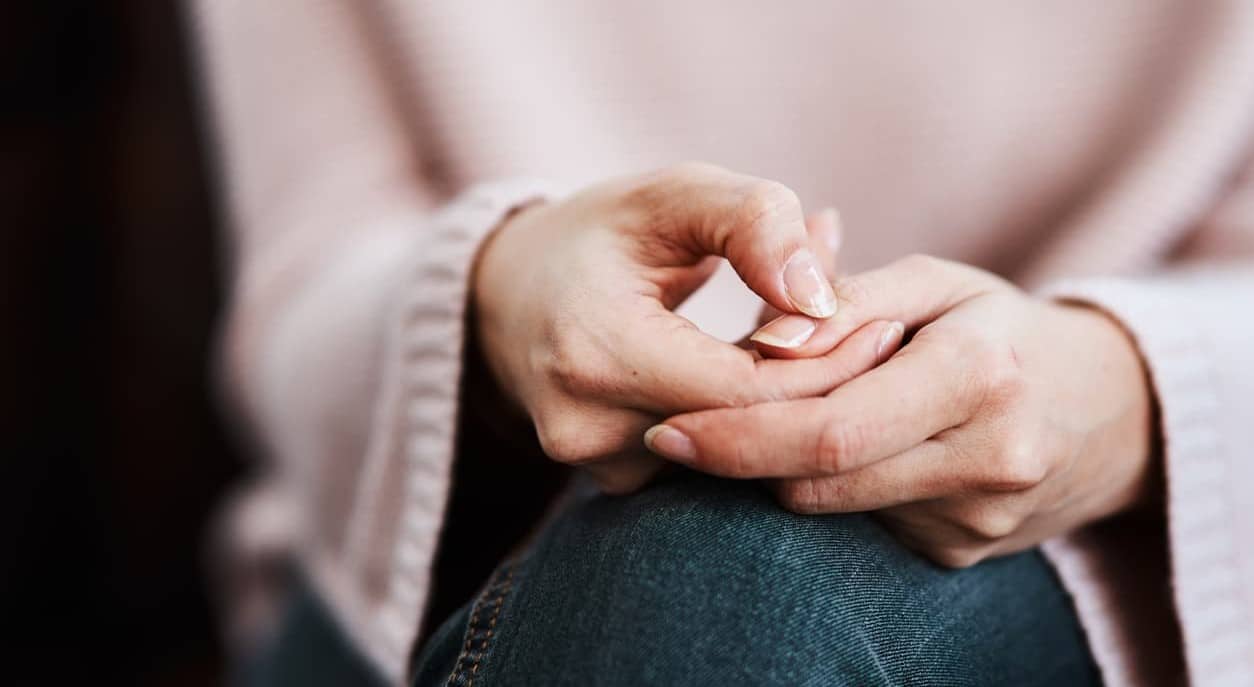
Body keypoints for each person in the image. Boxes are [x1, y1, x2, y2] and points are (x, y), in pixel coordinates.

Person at [192, 2, 1254, 685]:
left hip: (1136, 560)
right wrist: (501, 289)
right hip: (424, 556)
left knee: (726, 562)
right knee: (707, 557)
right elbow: (308, 269)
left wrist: (1129, 394)